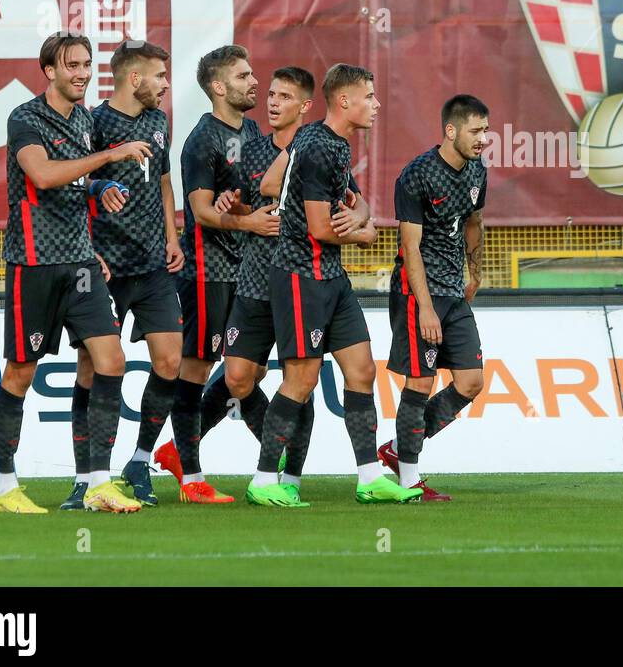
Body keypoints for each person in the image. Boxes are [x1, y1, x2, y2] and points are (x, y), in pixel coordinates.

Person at [247, 64, 422, 506]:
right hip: (301, 275)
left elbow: (293, 189)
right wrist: (363, 232)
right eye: (370, 96)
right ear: (344, 101)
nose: (377, 105)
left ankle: (368, 478)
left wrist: (360, 214)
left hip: (332, 277)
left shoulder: (328, 142)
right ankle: (265, 480)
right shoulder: (319, 148)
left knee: (362, 370)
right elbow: (321, 228)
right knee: (301, 379)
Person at [0, 32, 150, 514]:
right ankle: (6, 488)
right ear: (50, 71)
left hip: (81, 263)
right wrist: (109, 157)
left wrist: (98, 186)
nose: (83, 73)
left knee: (111, 360)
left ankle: (99, 482)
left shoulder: (83, 118)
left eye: (87, 64)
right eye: (72, 66)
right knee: (21, 373)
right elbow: (41, 176)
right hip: (34, 264)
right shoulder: (25, 118)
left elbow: (74, 177)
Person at [61, 42, 184, 511]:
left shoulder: (158, 122)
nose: (165, 84)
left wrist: (173, 236)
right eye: (159, 76)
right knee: (91, 368)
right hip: (104, 267)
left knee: (169, 361)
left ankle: (139, 459)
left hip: (154, 264)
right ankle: (86, 478)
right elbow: (74, 186)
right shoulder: (94, 122)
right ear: (135, 79)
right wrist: (89, 250)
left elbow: (164, 179)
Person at [153, 46, 273, 504]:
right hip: (209, 272)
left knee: (250, 369)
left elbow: (251, 192)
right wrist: (247, 220)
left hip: (249, 271)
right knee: (198, 368)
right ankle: (192, 478)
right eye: (244, 75)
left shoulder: (256, 131)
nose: (254, 81)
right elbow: (200, 213)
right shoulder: (202, 140)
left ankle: (179, 451)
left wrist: (244, 207)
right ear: (219, 87)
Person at [375, 95, 489, 502]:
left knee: (471, 382)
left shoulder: (477, 172)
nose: (482, 140)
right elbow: (410, 246)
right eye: (476, 132)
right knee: (420, 382)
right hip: (415, 292)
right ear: (451, 130)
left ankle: (396, 447)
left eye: (486, 131)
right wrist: (425, 307)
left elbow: (474, 221)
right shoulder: (417, 176)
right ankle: (409, 478)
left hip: (454, 292)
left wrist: (474, 274)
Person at [214, 67, 320, 505]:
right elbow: (233, 210)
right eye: (271, 94)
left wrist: (361, 215)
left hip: (301, 282)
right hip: (255, 282)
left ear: (305, 106)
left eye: (284, 96)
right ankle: (274, 454)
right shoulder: (251, 150)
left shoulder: (319, 149)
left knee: (301, 379)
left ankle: (288, 475)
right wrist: (236, 210)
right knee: (238, 378)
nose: (272, 102)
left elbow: (353, 200)